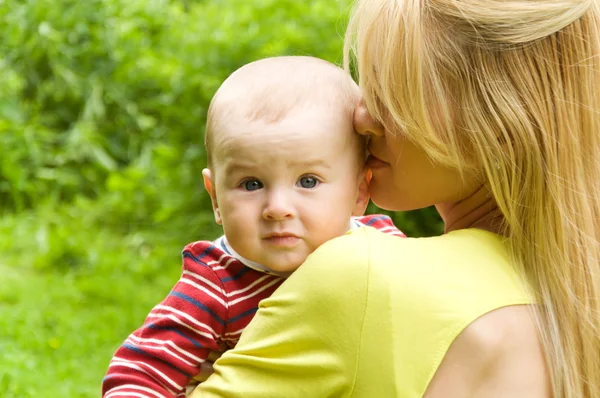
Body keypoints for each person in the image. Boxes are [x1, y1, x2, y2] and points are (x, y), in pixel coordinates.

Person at [188, 0, 600, 397]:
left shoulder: (360, 272)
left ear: (499, 120)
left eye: (395, 90)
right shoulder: (575, 291)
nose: (362, 116)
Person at [101, 55, 405, 398]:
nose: (277, 209)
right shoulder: (216, 285)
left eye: (307, 181)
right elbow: (139, 375)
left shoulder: (384, 245)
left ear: (359, 190)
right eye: (251, 184)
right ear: (215, 198)